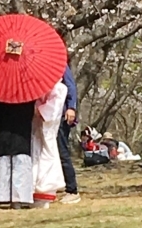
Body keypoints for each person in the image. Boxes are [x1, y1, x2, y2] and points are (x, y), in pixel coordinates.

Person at [31, 80, 68, 208]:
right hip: (35, 129)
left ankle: (44, 193)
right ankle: (31, 191)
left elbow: (51, 113)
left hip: (48, 130)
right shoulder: (36, 86)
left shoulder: (60, 89)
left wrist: (38, 109)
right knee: (34, 156)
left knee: (46, 157)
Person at [57, 65, 81, 204]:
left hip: (60, 115)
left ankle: (72, 190)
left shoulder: (60, 65)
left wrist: (71, 107)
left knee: (62, 152)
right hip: (44, 116)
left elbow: (71, 86)